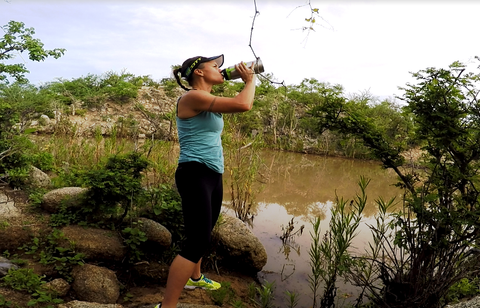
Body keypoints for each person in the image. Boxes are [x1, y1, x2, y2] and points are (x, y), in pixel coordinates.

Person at [155, 54, 256, 308]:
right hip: (194, 172)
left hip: (212, 172)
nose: (221, 70)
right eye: (215, 66)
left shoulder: (207, 99)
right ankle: (167, 306)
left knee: (203, 231)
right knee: (197, 241)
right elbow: (243, 104)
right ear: (198, 73)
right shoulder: (192, 97)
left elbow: (234, 104)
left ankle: (195, 277)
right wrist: (250, 79)